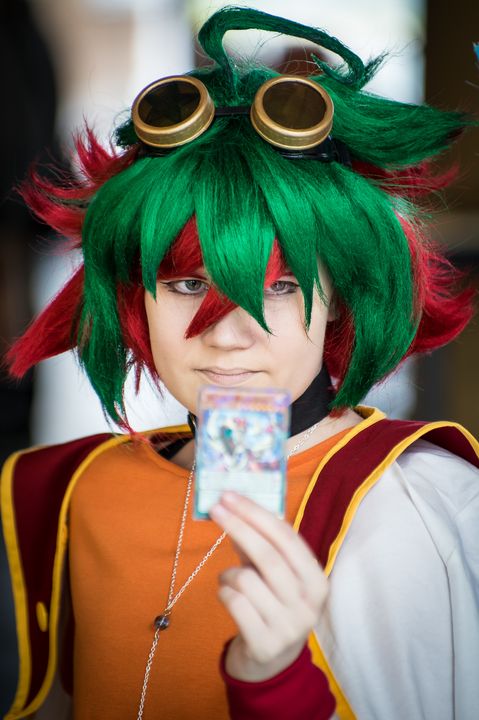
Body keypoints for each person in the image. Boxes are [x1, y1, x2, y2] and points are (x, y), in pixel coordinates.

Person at [2, 7, 479, 720]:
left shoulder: (426, 509)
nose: (228, 337)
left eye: (279, 288)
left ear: (340, 301)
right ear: (135, 299)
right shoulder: (77, 495)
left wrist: (278, 681)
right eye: (187, 284)